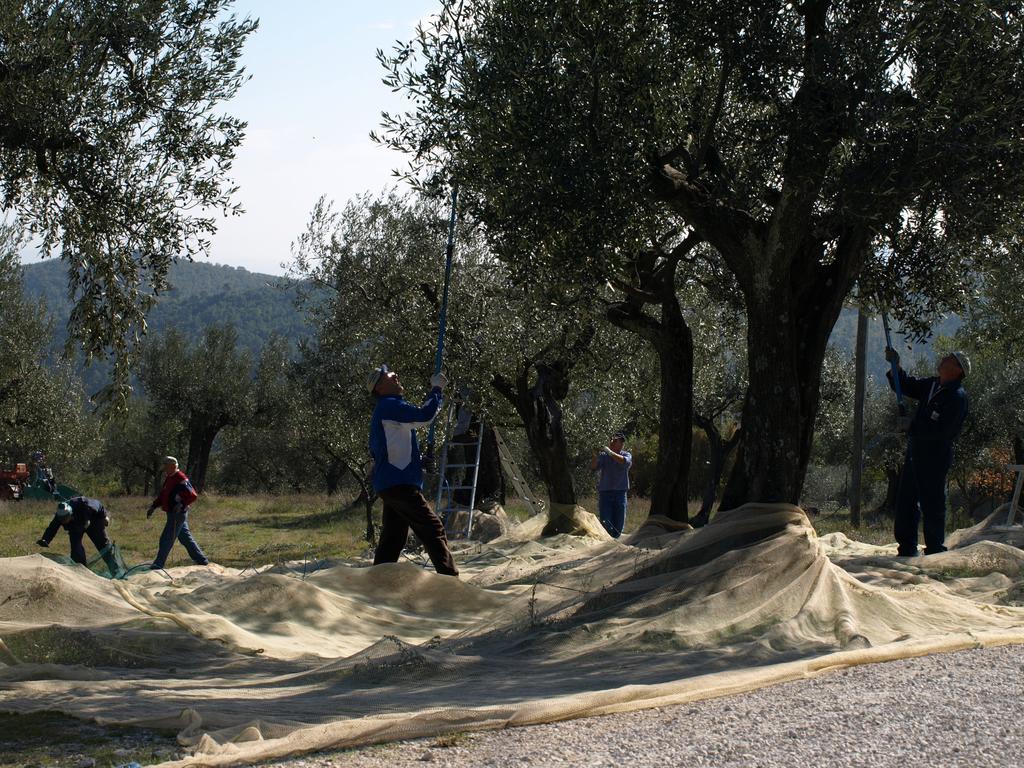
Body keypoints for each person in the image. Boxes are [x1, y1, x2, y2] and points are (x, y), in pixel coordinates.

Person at [367, 364, 458, 576]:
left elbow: (393, 447)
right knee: (433, 528)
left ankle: (377, 584)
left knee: (393, 539)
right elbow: (425, 415)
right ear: (379, 387)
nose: (396, 374)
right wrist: (436, 390)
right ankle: (450, 582)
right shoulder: (389, 405)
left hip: (391, 484)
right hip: (399, 485)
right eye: (390, 374)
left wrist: (418, 460)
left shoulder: (389, 409)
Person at [885, 347, 970, 556]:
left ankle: (934, 550)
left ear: (958, 370)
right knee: (906, 501)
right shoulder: (932, 385)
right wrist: (895, 366)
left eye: (950, 359)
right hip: (915, 453)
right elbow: (905, 385)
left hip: (935, 456)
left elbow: (944, 431)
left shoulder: (957, 397)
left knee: (932, 503)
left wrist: (911, 426)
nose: (943, 359)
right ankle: (906, 547)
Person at [146, 456, 208, 570]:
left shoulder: (180, 478)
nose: (164, 468)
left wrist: (182, 504)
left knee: (166, 538)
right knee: (185, 539)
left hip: (177, 514)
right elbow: (163, 495)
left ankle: (158, 565)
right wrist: (153, 506)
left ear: (173, 466)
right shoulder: (169, 477)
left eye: (166, 466)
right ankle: (202, 561)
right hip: (171, 513)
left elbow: (192, 495)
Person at [37, 497, 120, 575]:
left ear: (70, 513)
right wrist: (45, 539)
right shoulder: (59, 515)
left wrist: (104, 516)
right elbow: (52, 527)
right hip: (75, 527)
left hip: (93, 521)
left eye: (65, 519)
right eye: (62, 520)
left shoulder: (85, 504)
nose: (64, 521)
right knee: (76, 548)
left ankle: (116, 571)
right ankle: (82, 573)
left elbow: (98, 505)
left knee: (103, 545)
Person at [591, 432, 633, 538]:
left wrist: (609, 452)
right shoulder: (604, 456)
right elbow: (593, 467)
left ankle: (615, 546)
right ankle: (607, 546)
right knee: (606, 523)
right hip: (605, 493)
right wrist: (595, 455)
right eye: (612, 440)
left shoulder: (626, 455)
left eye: (616, 441)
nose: (612, 443)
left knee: (618, 525)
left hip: (620, 494)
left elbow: (624, 462)